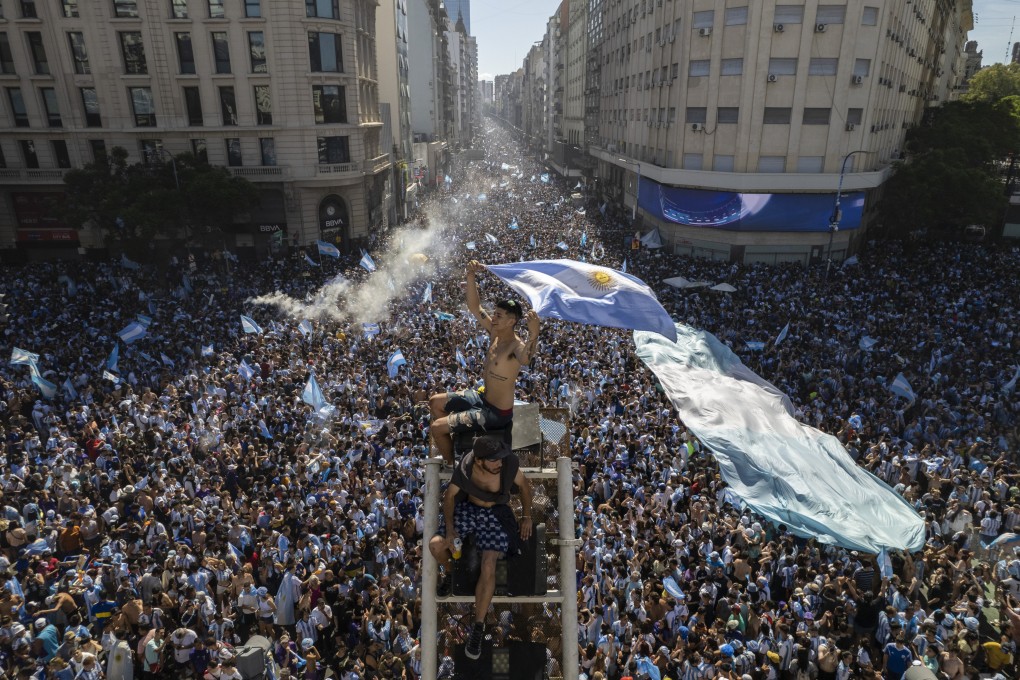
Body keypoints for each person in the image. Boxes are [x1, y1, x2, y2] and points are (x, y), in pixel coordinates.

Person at [428, 436, 534, 660]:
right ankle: (449, 571)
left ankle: (477, 626)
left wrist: (526, 516)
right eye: (494, 460)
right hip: (470, 510)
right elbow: (449, 497)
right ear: (479, 460)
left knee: (489, 563)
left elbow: (525, 486)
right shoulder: (466, 467)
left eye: (500, 459)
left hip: (496, 513)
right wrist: (449, 529)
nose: (499, 464)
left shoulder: (509, 465)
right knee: (436, 546)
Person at [428, 260, 540, 464]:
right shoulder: (494, 333)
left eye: (498, 315)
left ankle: (451, 465)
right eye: (494, 314)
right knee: (435, 402)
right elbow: (474, 307)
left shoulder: (516, 346)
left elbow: (526, 359)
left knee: (437, 428)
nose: (493, 317)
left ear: (511, 321)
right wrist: (470, 275)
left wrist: (534, 333)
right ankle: (455, 445)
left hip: (496, 412)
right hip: (482, 398)